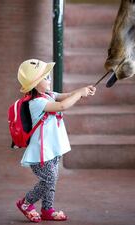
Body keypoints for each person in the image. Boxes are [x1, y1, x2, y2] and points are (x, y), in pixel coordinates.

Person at [15, 59, 96, 222]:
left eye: (49, 76)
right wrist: (78, 94)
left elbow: (65, 97)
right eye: (45, 78)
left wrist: (82, 90)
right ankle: (26, 203)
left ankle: (47, 209)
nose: (49, 80)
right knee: (49, 179)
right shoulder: (36, 102)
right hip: (40, 153)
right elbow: (62, 106)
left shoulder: (49, 95)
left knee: (52, 180)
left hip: (52, 149)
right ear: (35, 83)